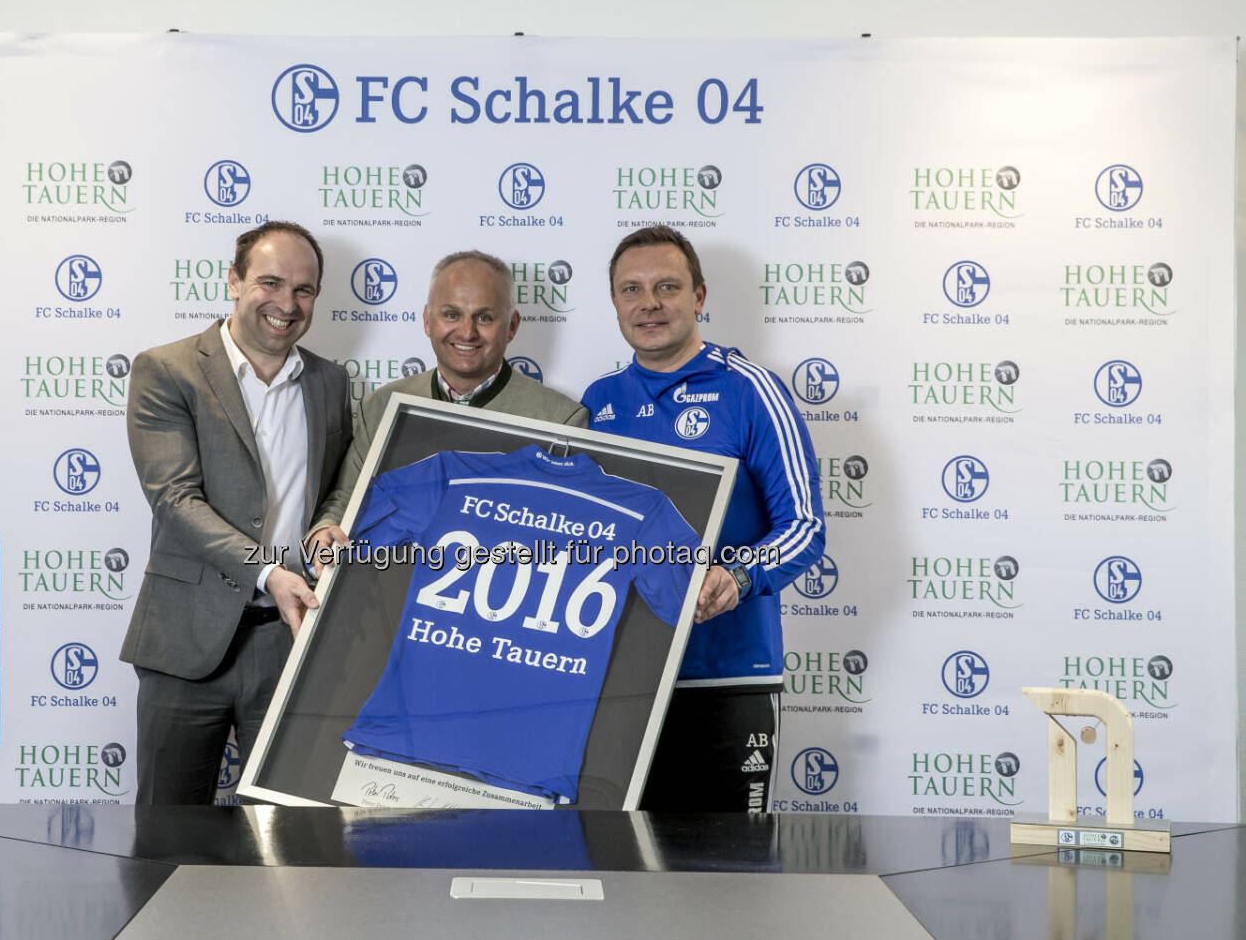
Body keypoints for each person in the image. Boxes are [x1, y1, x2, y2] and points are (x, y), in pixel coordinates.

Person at [582, 225, 825, 812]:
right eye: (631, 289)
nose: (650, 303)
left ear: (699, 296)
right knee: (623, 875)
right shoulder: (597, 401)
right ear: (614, 302)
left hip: (727, 677)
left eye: (668, 286)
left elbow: (805, 527)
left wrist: (737, 578)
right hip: (622, 683)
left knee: (729, 883)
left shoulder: (751, 391)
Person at [122, 221, 351, 804]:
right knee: (168, 836)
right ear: (234, 281)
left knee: (286, 841)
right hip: (185, 638)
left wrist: (327, 524)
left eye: (304, 290)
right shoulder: (167, 369)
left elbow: (330, 486)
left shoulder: (329, 380)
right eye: (270, 282)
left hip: (288, 640)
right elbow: (175, 500)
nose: (287, 303)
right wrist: (272, 571)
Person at [305, 250, 587, 558]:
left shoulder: (562, 421)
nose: (467, 332)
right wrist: (326, 528)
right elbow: (347, 497)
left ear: (512, 326)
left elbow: (567, 533)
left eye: (485, 317)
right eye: (451, 314)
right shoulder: (381, 405)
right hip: (390, 593)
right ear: (428, 320)